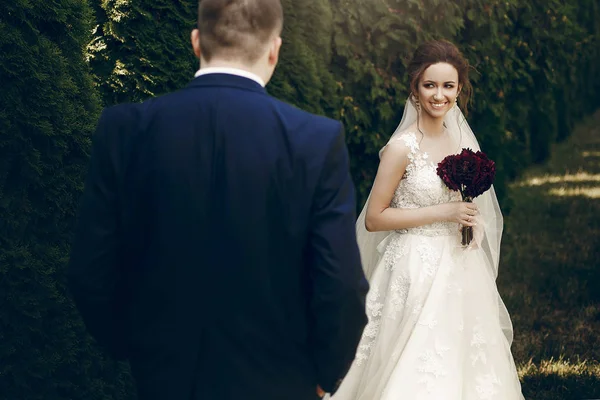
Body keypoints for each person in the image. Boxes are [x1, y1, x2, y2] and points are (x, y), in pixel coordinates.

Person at [67, 0, 368, 399]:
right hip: (281, 381)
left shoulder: (126, 129)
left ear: (196, 42)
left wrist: (139, 347)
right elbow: (341, 285)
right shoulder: (315, 140)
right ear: (275, 49)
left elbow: (92, 270)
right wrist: (325, 374)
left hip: (164, 378)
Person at [329, 40, 525, 399]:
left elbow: (465, 204)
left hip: (460, 267)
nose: (439, 95)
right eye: (429, 85)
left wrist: (470, 221)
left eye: (448, 86)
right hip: (413, 267)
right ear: (415, 89)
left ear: (458, 90)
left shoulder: (462, 143)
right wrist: (444, 212)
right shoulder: (402, 147)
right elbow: (374, 218)